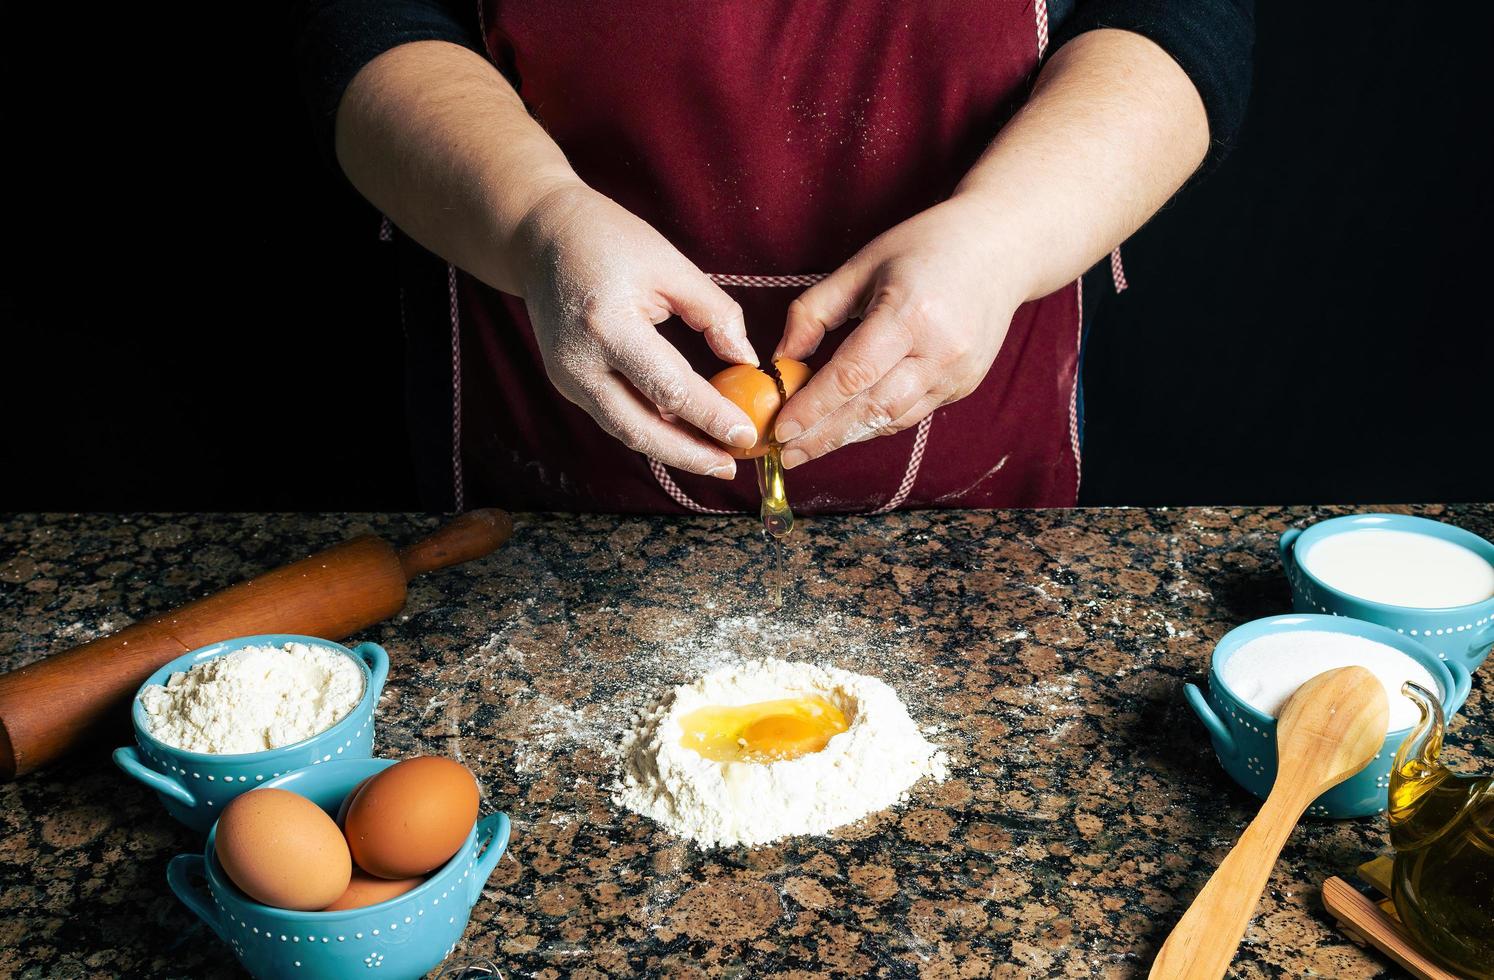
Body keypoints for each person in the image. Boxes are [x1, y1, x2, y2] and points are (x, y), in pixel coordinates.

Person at [295, 1, 1253, 513]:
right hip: (548, 488)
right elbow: (362, 18)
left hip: (977, 507)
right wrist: (534, 218)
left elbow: (1180, 15)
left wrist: (1005, 234)